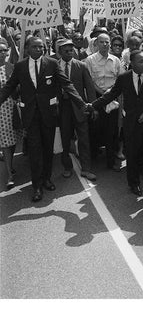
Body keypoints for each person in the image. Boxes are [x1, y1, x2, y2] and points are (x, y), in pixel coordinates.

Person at [0, 37, 86, 202]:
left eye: (41, 47)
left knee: (48, 148)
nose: (39, 49)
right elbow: (9, 87)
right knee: (34, 150)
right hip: (30, 115)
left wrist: (81, 103)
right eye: (35, 47)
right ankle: (37, 186)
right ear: (27, 49)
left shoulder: (52, 64)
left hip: (49, 114)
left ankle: (46, 178)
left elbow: (67, 84)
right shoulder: (20, 66)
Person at [86, 50, 143, 200]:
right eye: (141, 61)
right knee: (132, 156)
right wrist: (93, 105)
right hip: (131, 125)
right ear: (132, 64)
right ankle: (134, 184)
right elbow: (111, 94)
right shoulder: (124, 78)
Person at [56, 37, 97, 181]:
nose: (70, 53)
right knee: (65, 139)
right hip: (63, 108)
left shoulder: (81, 65)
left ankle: (86, 169)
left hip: (80, 108)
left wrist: (93, 106)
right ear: (59, 52)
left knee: (84, 139)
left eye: (71, 50)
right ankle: (67, 167)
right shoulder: (54, 66)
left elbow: (90, 88)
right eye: (66, 51)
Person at [84, 33, 123, 171]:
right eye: (102, 42)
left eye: (107, 42)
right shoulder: (89, 60)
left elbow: (120, 79)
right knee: (95, 128)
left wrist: (111, 93)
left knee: (111, 131)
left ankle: (110, 161)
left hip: (113, 98)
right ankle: (93, 156)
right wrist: (102, 94)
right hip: (96, 98)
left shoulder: (116, 60)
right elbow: (89, 81)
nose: (105, 45)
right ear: (96, 44)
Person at [0, 39, 20, 189]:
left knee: (12, 141)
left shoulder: (11, 67)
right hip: (1, 110)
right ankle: (9, 174)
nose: (2, 53)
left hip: (12, 108)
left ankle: (10, 162)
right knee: (6, 142)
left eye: (4, 50)